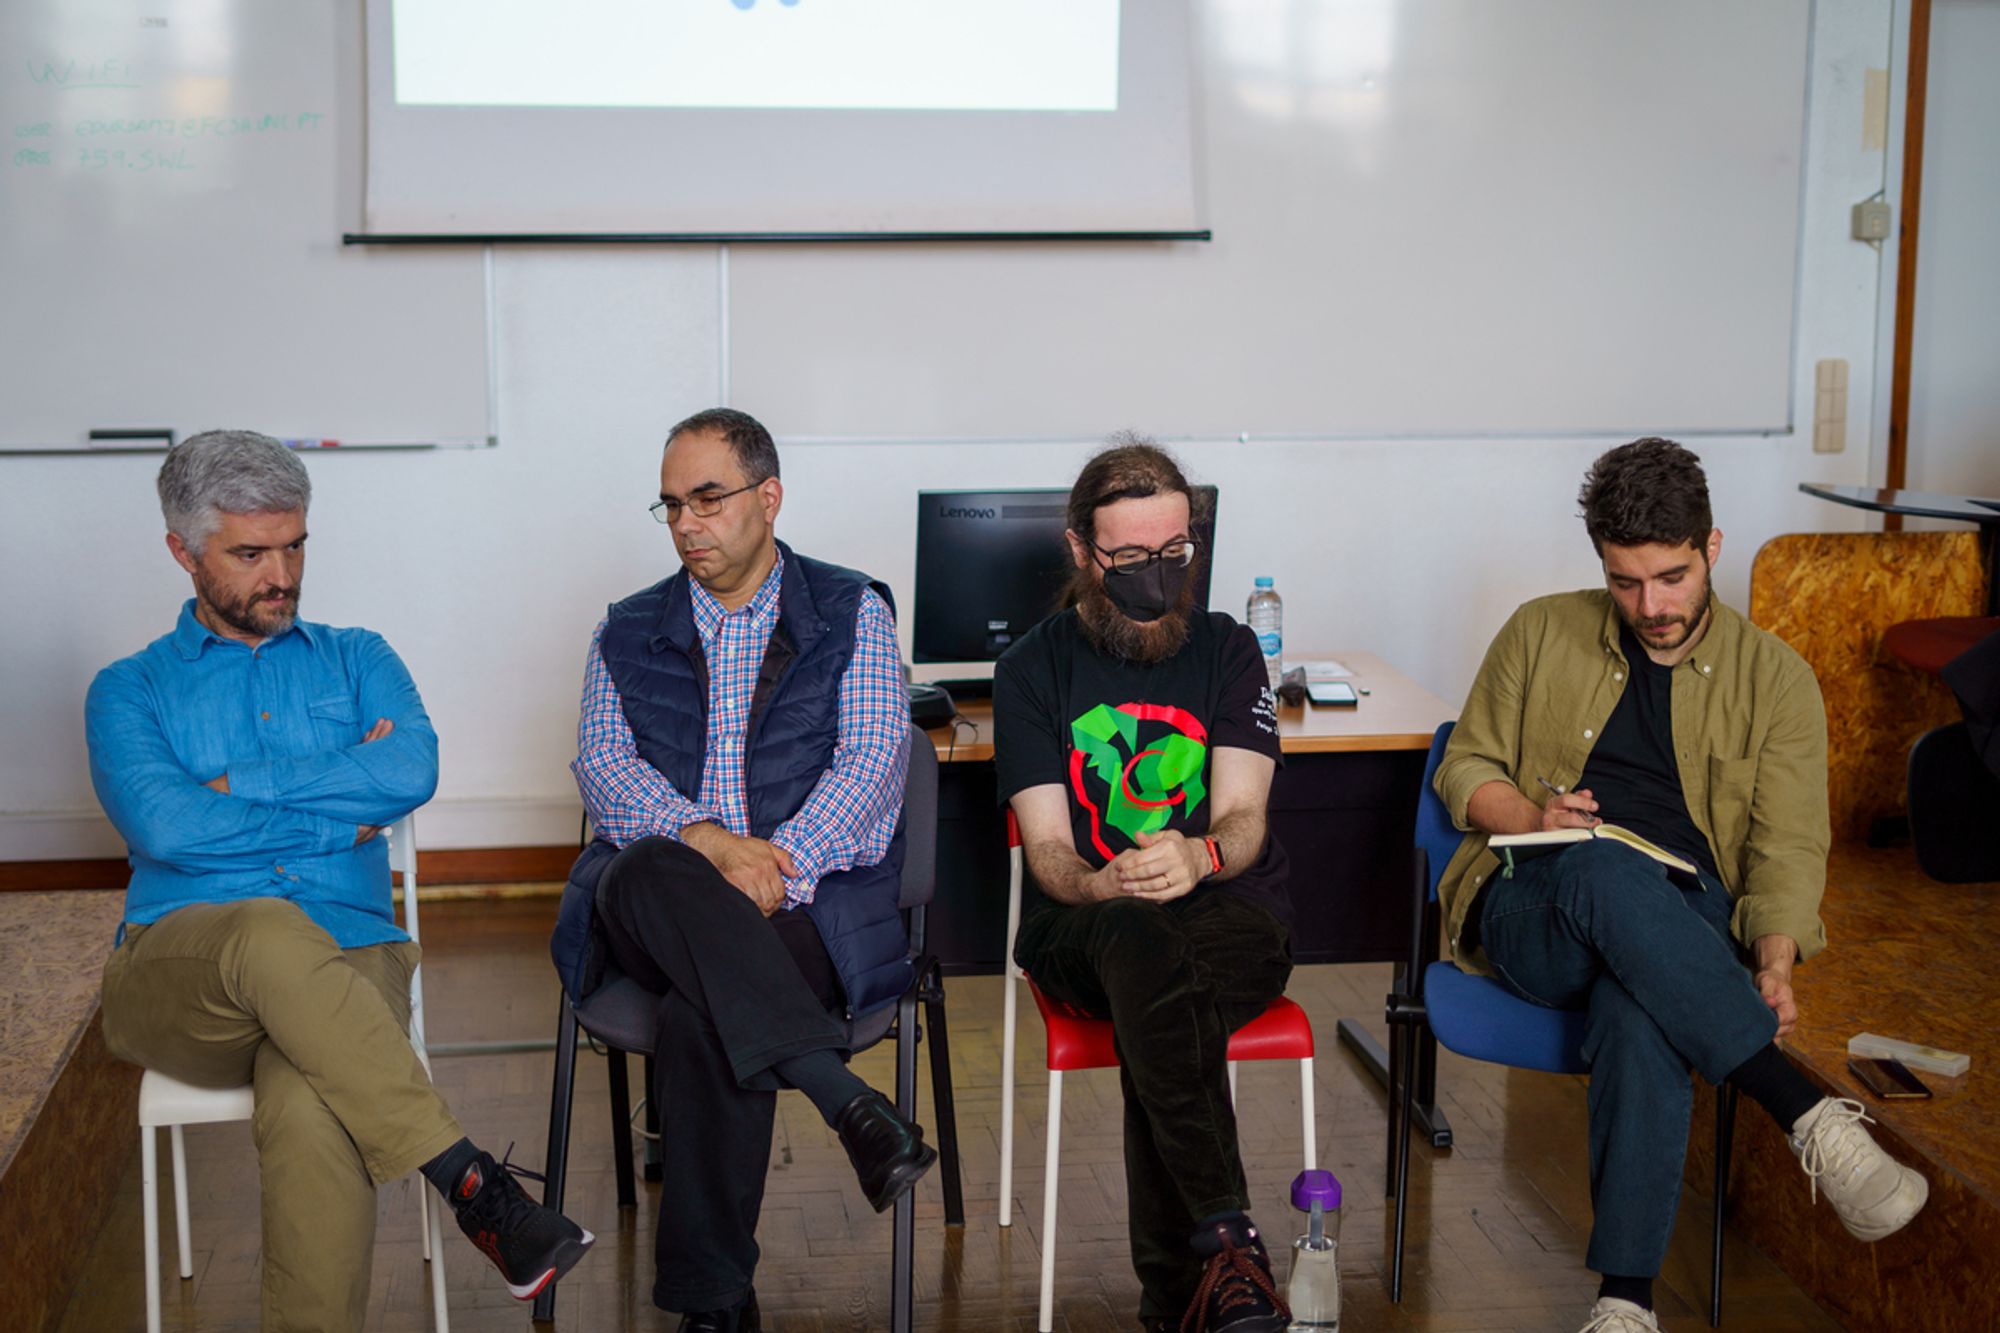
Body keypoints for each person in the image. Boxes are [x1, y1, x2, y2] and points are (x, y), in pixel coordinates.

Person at [86, 430, 593, 1332]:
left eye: (295, 544)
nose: (280, 573)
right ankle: (473, 1186)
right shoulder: (127, 691)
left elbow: (413, 769)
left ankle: (480, 1203)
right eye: (250, 553)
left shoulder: (359, 656)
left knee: (315, 1102)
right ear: (182, 551)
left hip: (351, 955)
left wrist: (242, 789)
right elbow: (165, 824)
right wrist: (337, 805)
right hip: (180, 975)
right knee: (271, 931)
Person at [1435, 438, 1930, 1333]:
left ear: (1712, 545)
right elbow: (1462, 767)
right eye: (1625, 582)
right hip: (1540, 898)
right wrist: (1532, 818)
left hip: (1681, 923)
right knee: (1600, 865)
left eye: (1670, 577)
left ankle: (1624, 1305)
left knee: (1640, 1004)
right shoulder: (1541, 629)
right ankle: (1804, 1109)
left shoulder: (1776, 678)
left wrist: (1774, 960)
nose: (1650, 606)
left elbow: (1785, 850)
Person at [560, 407, 932, 1332]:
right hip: (658, 896)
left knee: (704, 1011)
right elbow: (604, 769)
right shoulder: (626, 628)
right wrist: (715, 847)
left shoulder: (851, 611)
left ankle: (714, 1303)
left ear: (768, 497)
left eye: (708, 498)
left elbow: (874, 764)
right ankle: (848, 1103)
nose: (687, 522)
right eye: (672, 504)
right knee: (645, 869)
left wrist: (782, 864)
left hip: (806, 909)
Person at [993, 438, 1295, 1333]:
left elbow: (1244, 818)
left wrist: (1201, 856)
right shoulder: (1030, 670)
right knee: (1139, 946)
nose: (1158, 577)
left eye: (1176, 555)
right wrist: (1103, 881)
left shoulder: (1232, 650)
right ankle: (1229, 1256)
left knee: (1160, 993)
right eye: (1131, 559)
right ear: (1084, 552)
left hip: (1231, 912)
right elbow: (1046, 850)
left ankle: (1187, 1290)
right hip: (1086, 924)